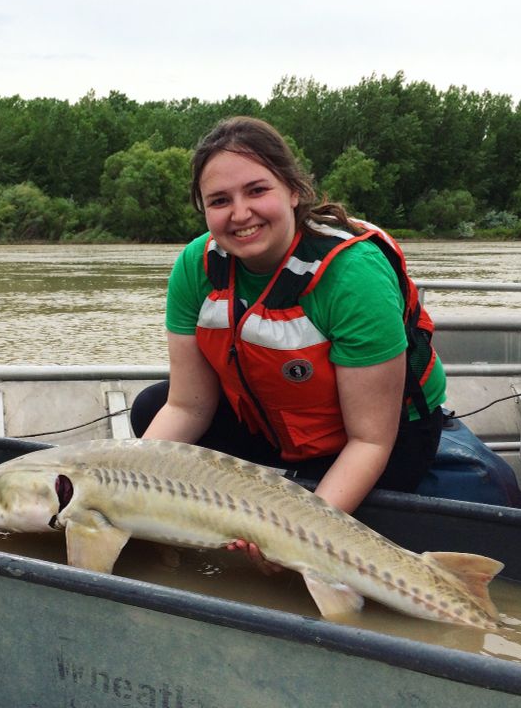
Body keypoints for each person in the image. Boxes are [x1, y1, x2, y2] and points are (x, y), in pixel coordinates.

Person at [130, 116, 446, 568]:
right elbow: (187, 408)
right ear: (203, 210)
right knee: (150, 408)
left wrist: (292, 534)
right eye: (220, 201)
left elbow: (369, 441)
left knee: (309, 553)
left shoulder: (353, 276)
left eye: (257, 191)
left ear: (294, 191)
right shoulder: (194, 268)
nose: (240, 214)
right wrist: (125, 486)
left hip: (379, 439)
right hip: (276, 425)